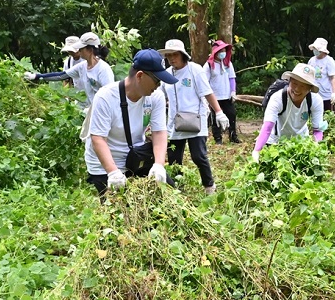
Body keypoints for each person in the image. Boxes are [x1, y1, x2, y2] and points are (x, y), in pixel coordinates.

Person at [84, 49, 175, 196]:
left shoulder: (156, 97)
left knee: (170, 197)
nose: (159, 85)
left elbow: (159, 132)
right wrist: (113, 172)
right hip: (104, 164)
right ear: (140, 76)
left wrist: (158, 165)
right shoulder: (106, 97)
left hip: (135, 158)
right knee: (120, 211)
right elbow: (98, 138)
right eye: (157, 80)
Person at [160, 39, 229, 194]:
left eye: (175, 54)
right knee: (174, 159)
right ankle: (177, 189)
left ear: (182, 55)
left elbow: (207, 92)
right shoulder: (166, 74)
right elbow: (160, 96)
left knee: (198, 156)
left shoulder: (194, 70)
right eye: (169, 55)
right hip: (174, 122)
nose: (172, 58)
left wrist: (219, 112)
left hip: (195, 120)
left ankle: (209, 186)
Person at [251, 63, 326, 160]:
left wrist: (316, 146)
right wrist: (257, 150)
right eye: (295, 84)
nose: (297, 89)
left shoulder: (315, 101)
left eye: (303, 86)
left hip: (301, 143)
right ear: (289, 82)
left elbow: (318, 129)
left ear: (309, 89)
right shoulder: (278, 98)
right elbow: (267, 127)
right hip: (275, 142)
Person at [24, 32, 113, 108]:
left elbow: (109, 95)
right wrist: (37, 76)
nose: (79, 51)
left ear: (90, 50)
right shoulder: (82, 67)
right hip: (88, 108)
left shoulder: (103, 69)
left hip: (102, 111)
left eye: (81, 48)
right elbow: (61, 75)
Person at [206, 39, 239, 143]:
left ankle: (233, 136)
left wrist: (233, 91)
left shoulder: (228, 64)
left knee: (232, 114)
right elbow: (204, 81)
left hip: (227, 96)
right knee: (215, 118)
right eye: (220, 51)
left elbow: (232, 78)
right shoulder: (209, 65)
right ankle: (218, 139)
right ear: (215, 52)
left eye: (224, 50)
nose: (222, 53)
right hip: (214, 97)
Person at [308, 38, 335, 112]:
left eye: (317, 49)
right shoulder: (311, 60)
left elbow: (333, 78)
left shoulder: (329, 61)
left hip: (326, 95)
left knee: (327, 116)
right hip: (314, 93)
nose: (315, 51)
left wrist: (333, 93)